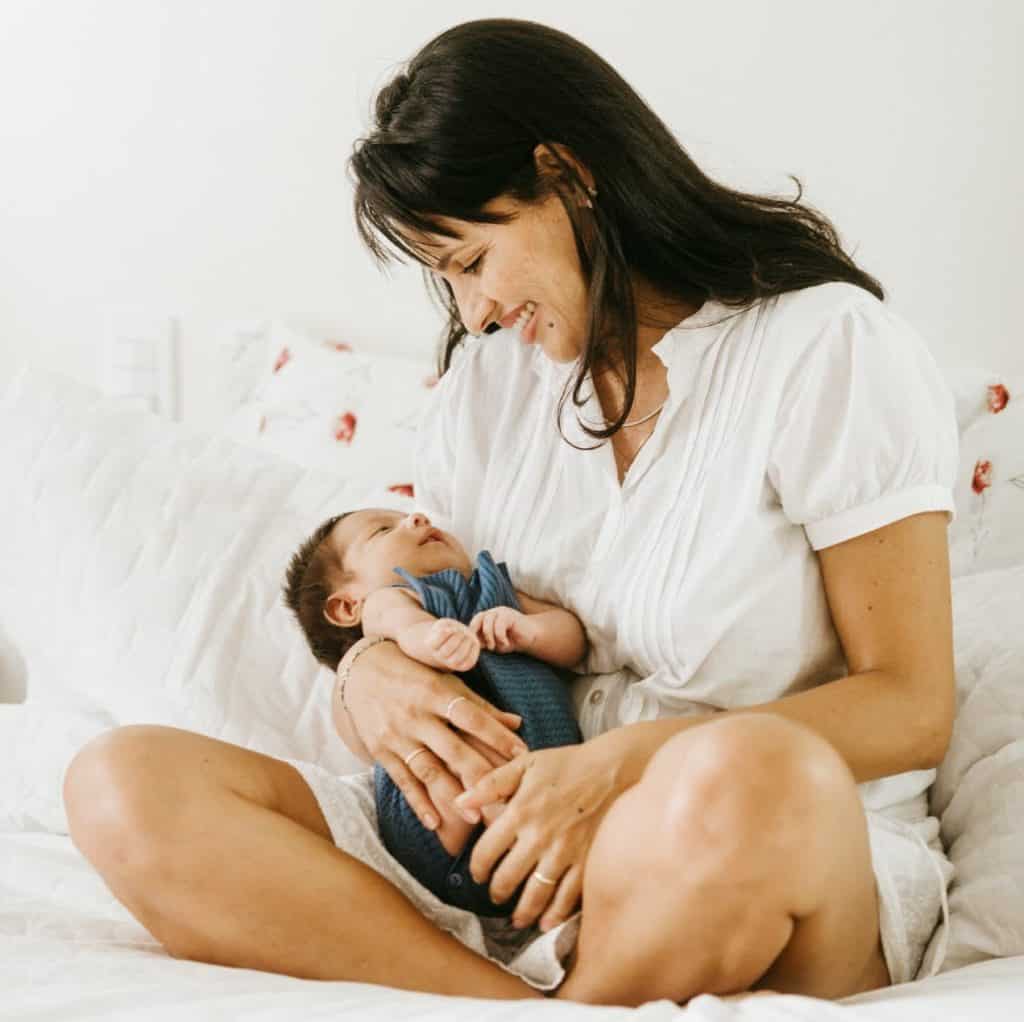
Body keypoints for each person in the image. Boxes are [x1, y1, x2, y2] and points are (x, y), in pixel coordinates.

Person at [61, 17, 959, 1006]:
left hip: (755, 849)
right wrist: (371, 669)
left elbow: (910, 705)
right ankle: (518, 1007)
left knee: (751, 769)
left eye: (472, 259)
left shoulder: (825, 347)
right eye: (444, 279)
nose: (476, 312)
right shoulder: (493, 383)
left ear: (564, 172)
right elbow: (425, 598)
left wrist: (621, 768)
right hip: (509, 865)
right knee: (121, 779)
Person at [279, 507, 585, 915]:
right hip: (441, 829)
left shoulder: (493, 588)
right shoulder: (389, 602)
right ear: (347, 606)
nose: (416, 518)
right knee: (452, 764)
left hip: (554, 799)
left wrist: (529, 632)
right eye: (384, 530)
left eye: (408, 515)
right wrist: (431, 636)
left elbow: (573, 639)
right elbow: (403, 624)